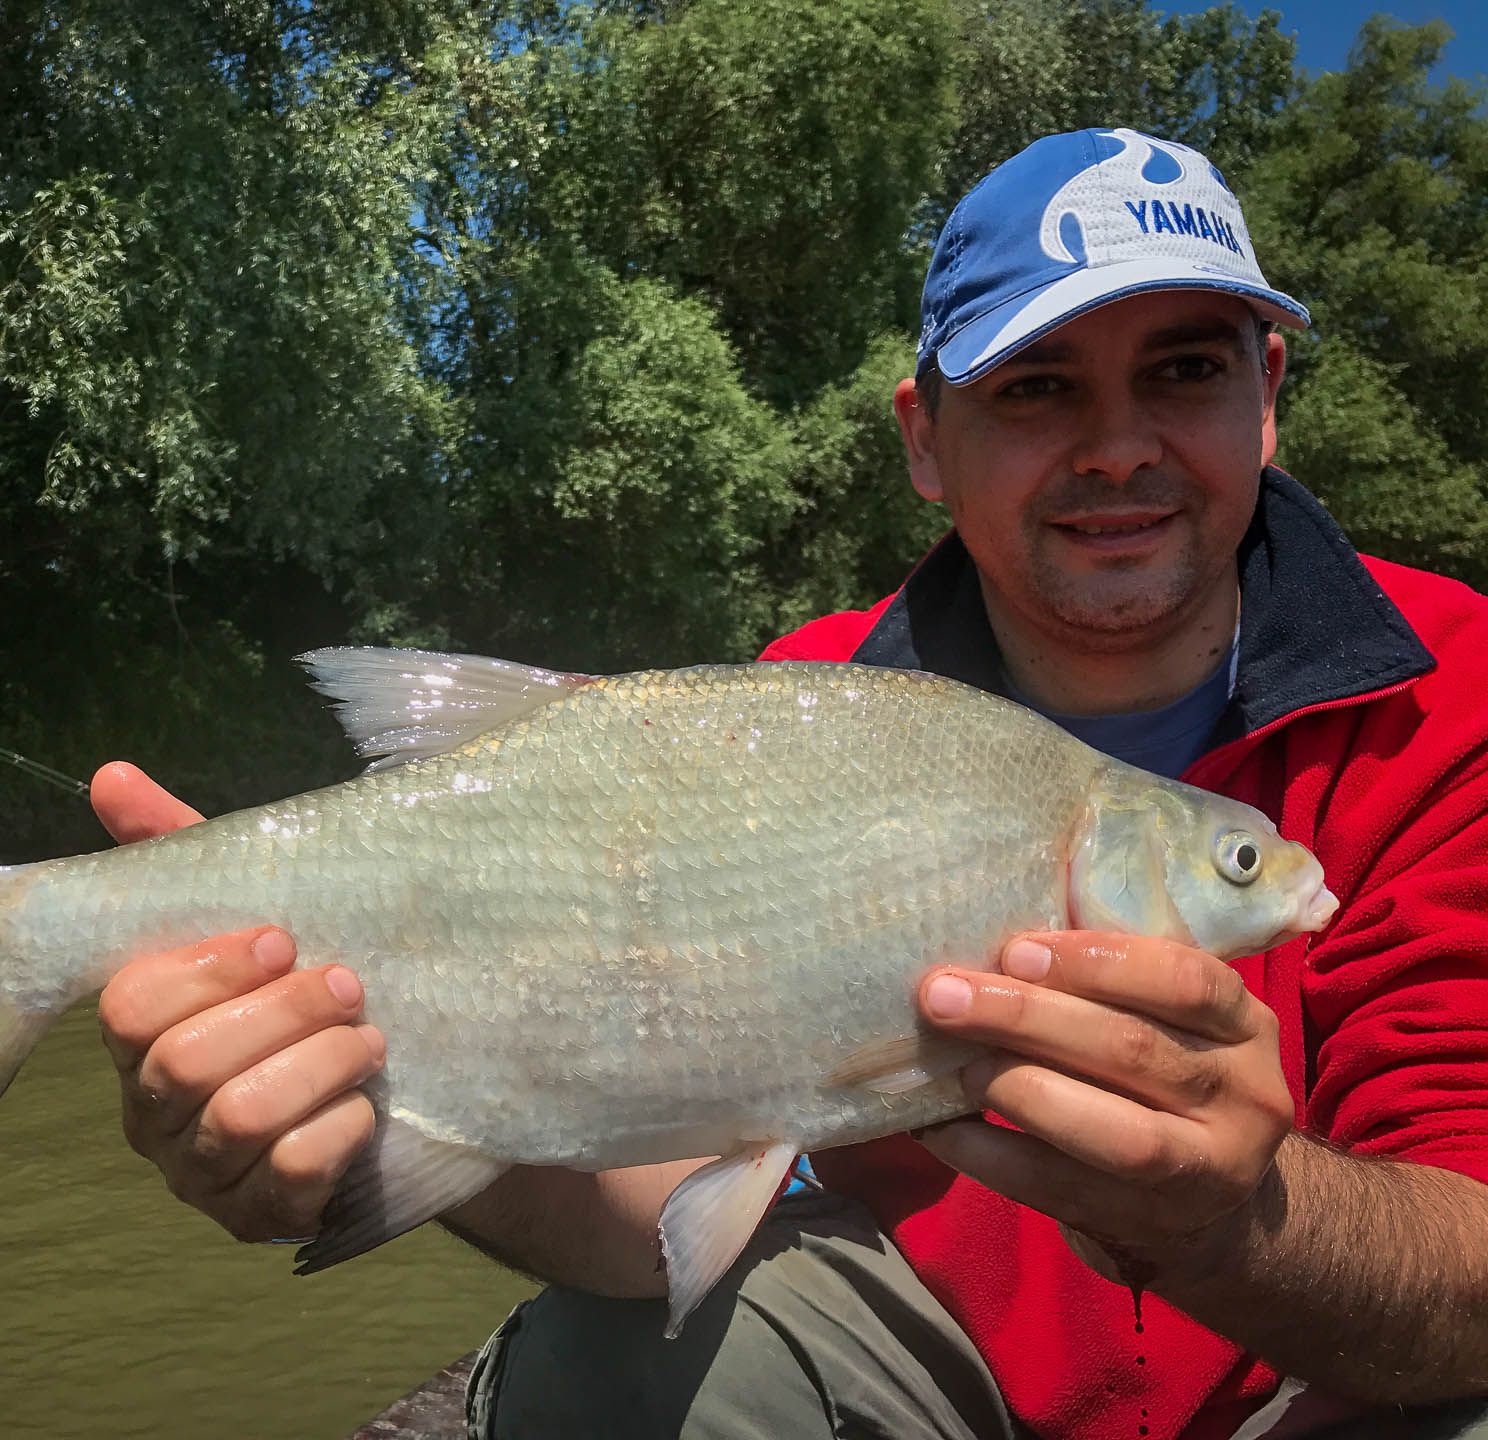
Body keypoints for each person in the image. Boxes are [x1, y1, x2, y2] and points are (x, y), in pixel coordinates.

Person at [89, 128, 1488, 1438]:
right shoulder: (786, 710)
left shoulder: (1452, 693)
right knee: (611, 1366)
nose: (1117, 444)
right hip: (933, 1374)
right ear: (925, 439)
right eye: (1038, 385)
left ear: (1268, 399)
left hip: (1325, 1388)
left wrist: (1228, 1220)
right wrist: (354, 1132)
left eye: (1184, 370)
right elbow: (671, 1192)